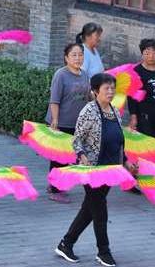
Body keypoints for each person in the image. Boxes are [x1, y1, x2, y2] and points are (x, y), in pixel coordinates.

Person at [54, 73, 133, 267]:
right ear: (96, 91)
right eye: (107, 88)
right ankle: (103, 252)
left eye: (113, 88)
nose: (111, 91)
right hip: (93, 169)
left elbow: (118, 140)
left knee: (89, 209)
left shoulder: (114, 111)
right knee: (100, 211)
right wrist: (82, 156)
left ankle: (66, 244)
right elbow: (77, 139)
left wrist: (126, 161)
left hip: (111, 169)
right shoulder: (89, 111)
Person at [46, 43, 92, 203]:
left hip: (77, 123)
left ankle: (57, 185)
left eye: (80, 55)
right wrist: (55, 120)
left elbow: (87, 96)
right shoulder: (61, 75)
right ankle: (54, 189)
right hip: (61, 122)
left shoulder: (85, 75)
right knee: (58, 158)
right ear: (66, 58)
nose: (78, 58)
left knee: (71, 157)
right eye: (74, 55)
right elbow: (54, 99)